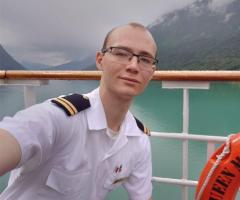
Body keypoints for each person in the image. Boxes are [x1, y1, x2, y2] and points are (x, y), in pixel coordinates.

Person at [0, 22, 158, 200]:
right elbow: (14, 137)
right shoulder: (61, 118)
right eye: (121, 53)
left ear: (152, 72)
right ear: (100, 60)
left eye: (145, 59)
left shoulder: (139, 139)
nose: (133, 66)